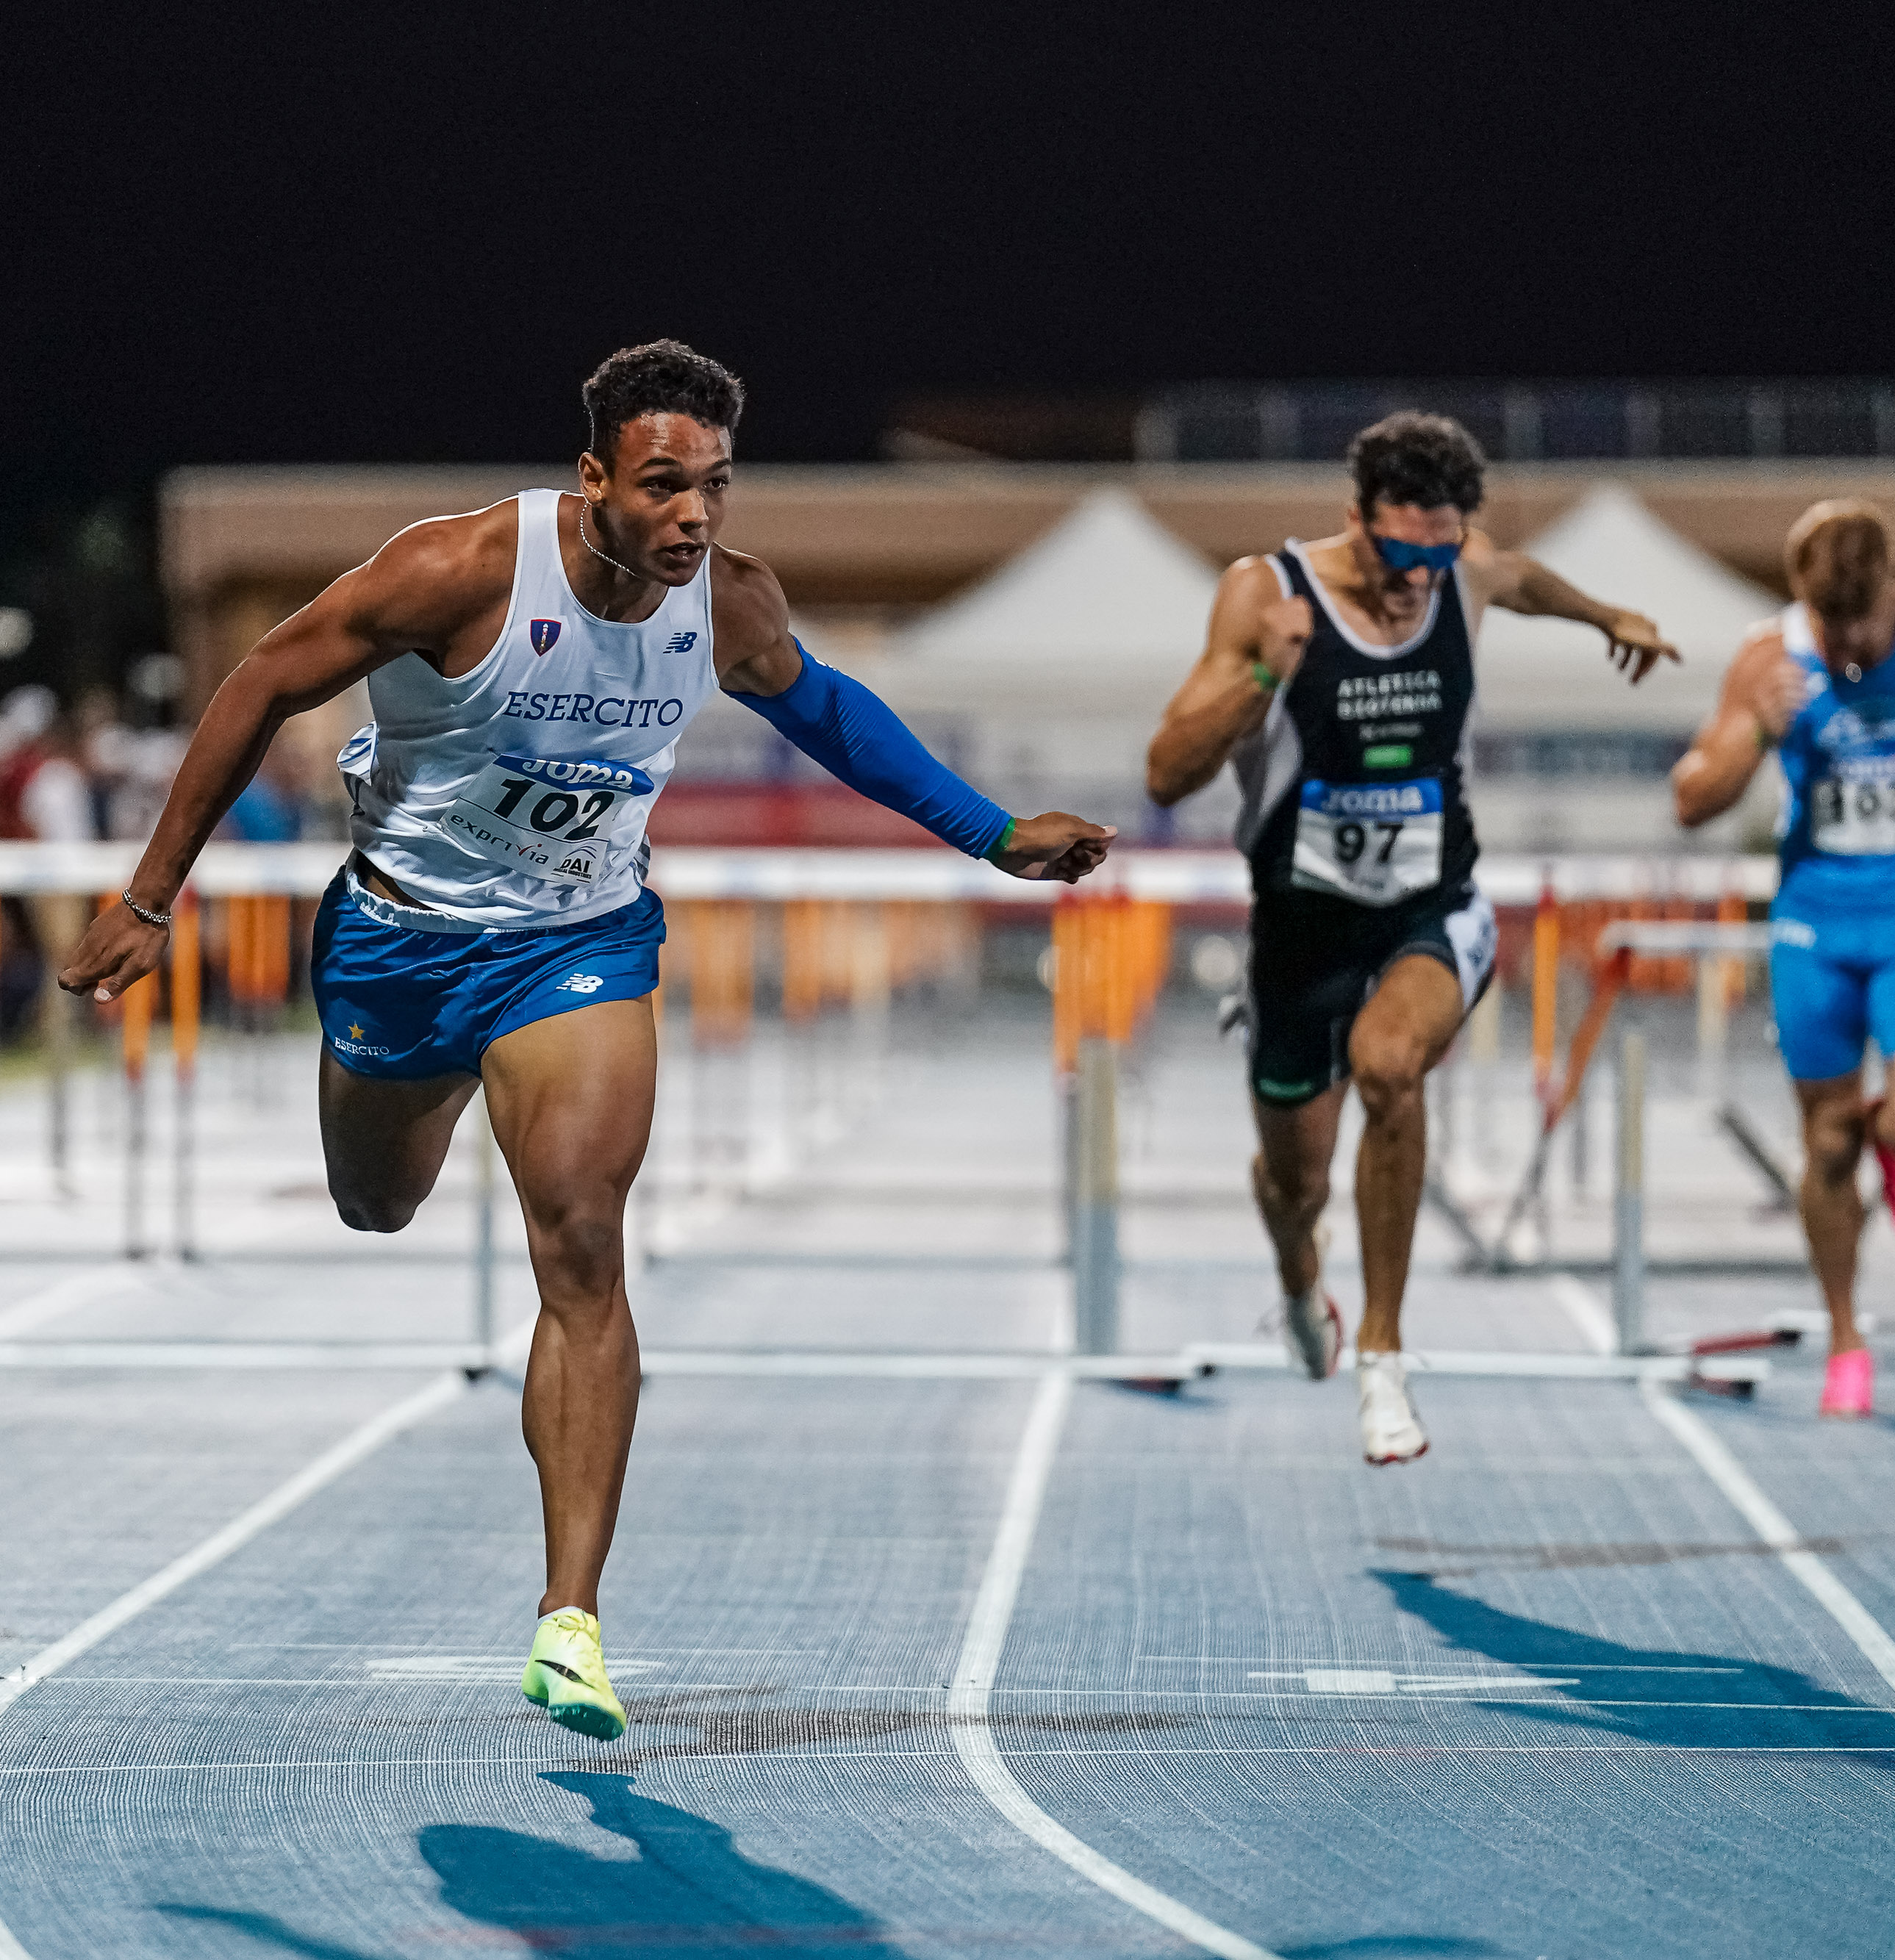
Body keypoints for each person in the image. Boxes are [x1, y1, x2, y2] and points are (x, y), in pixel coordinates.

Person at [57, 341, 1111, 1738]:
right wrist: (149, 896)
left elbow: (828, 712)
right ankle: (402, 1087)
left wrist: (992, 832)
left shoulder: (726, 601)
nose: (694, 515)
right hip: (403, 939)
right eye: (664, 485)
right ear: (595, 476)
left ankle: (571, 1619)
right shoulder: (461, 571)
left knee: (584, 1247)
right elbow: (259, 682)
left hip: (578, 942)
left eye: (715, 486)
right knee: (375, 1203)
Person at [1147, 412, 1676, 1464]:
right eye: (1401, 556)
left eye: (1441, 554)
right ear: (1357, 520)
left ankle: (1383, 1362)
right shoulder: (1266, 593)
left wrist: (1605, 614)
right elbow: (1166, 773)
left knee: (1390, 1066)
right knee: (1295, 1185)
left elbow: (1518, 577)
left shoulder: (1458, 570)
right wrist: (1263, 678)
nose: (1419, 580)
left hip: (1432, 905)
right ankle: (1300, 1286)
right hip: (1300, 928)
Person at [1670, 500, 1895, 1418]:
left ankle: (1891, 1135)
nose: (1846, 649)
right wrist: (1755, 734)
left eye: (1862, 631)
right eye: (1828, 630)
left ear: (1891, 591)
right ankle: (1845, 1340)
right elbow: (1690, 800)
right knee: (1824, 1150)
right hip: (1814, 929)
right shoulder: (1769, 657)